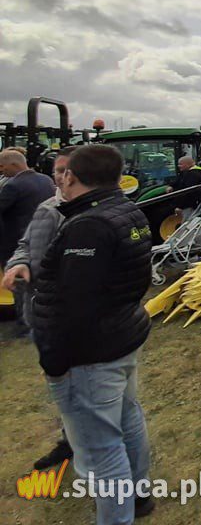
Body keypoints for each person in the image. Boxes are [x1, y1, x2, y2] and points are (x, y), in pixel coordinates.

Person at [32, 144, 154, 522]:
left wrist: (55, 359)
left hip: (90, 353)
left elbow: (76, 303)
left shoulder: (88, 225)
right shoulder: (125, 210)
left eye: (62, 174)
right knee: (127, 417)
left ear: (70, 175)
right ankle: (139, 494)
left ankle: (119, 514)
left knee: (101, 449)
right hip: (120, 336)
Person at [2, 147, 74, 470]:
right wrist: (19, 262)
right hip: (42, 310)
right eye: (57, 171)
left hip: (62, 316)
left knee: (76, 389)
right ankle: (69, 437)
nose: (60, 177)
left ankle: (81, 446)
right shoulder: (47, 200)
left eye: (66, 171)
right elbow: (26, 243)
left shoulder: (87, 214)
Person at [0, 149, 56, 328]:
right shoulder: (46, 180)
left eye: (2, 166)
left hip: (16, 241)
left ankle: (24, 324)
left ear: (14, 164)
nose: (2, 170)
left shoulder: (12, 186)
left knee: (18, 283)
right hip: (43, 237)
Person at [167, 155, 201, 251]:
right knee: (192, 225)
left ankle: (195, 247)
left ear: (188, 164)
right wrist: (171, 185)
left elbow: (187, 192)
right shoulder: (190, 173)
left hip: (190, 205)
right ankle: (196, 246)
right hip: (192, 204)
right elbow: (180, 182)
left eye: (180, 164)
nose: (178, 166)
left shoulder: (192, 175)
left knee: (190, 225)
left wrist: (179, 206)